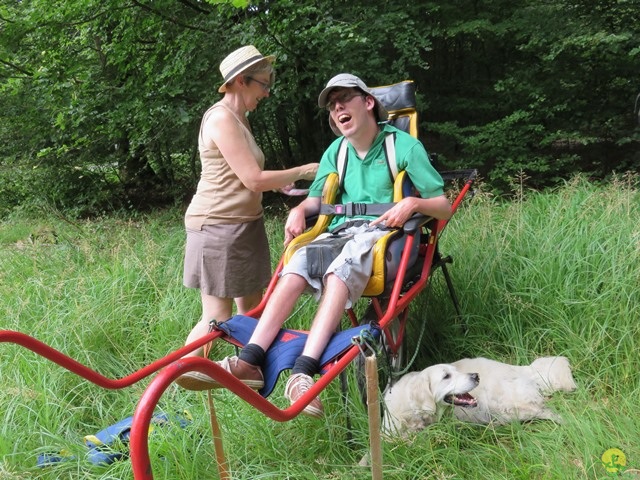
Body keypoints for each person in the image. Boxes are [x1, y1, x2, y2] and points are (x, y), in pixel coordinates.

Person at [179, 73, 452, 418]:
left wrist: (413, 204)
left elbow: (442, 205)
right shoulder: (335, 152)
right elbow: (314, 200)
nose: (337, 107)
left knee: (339, 271)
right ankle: (250, 361)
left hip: (380, 233)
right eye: (332, 105)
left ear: (368, 103)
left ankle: (303, 371)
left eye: (345, 99)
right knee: (296, 267)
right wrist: (299, 209)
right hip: (337, 231)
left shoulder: (403, 146)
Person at [176, 45, 318, 390]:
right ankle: (176, 376)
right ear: (241, 81)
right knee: (218, 316)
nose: (267, 93)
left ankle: (250, 375)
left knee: (252, 310)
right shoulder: (222, 118)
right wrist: (301, 171)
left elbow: (246, 175)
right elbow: (252, 178)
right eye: (263, 85)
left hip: (242, 226)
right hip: (218, 226)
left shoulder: (240, 119)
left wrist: (279, 185)